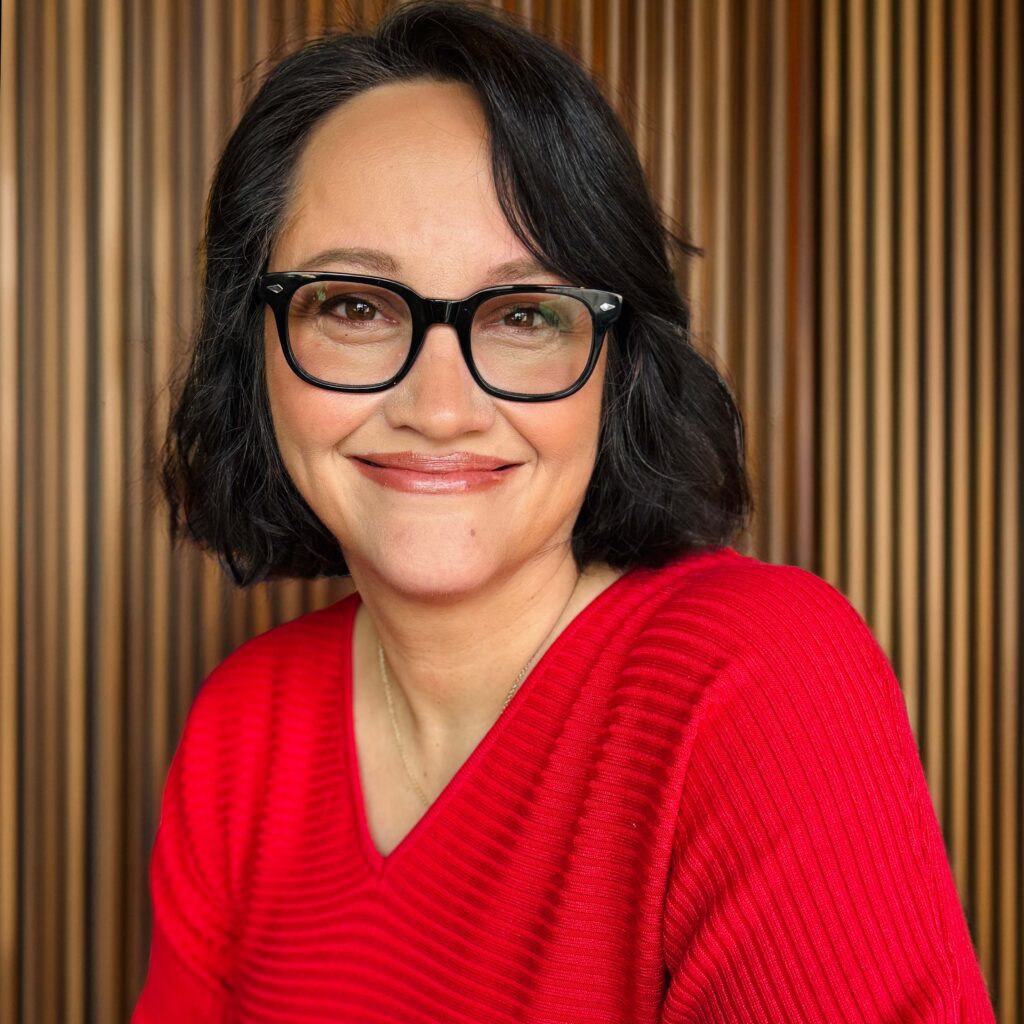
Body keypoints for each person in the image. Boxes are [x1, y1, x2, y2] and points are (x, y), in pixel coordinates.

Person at [131, 2, 996, 1021]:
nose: (439, 409)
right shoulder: (246, 726)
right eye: (354, 306)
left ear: (617, 365)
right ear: (257, 347)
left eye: (525, 314)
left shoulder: (755, 682)